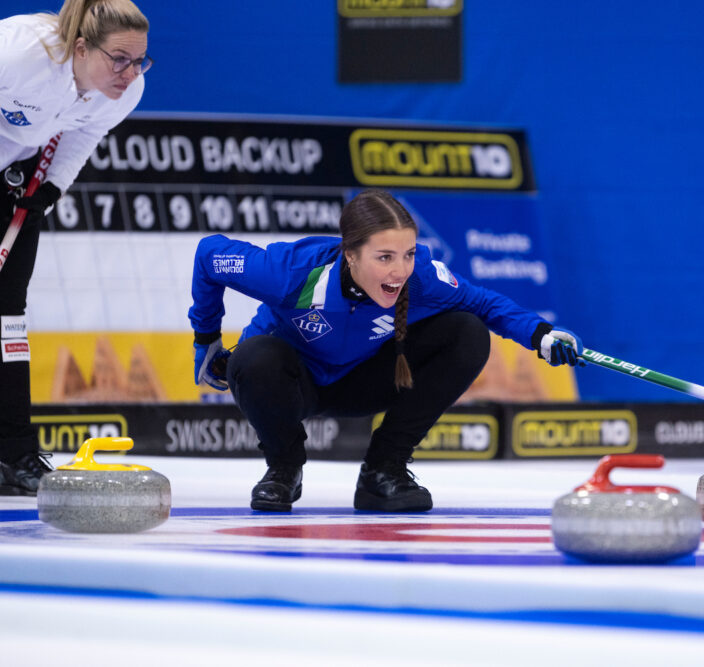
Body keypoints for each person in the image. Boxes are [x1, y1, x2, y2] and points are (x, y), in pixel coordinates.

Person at [189, 189, 584, 512]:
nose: (400, 271)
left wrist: (541, 335)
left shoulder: (423, 278)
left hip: (367, 381)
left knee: (467, 331)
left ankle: (383, 472)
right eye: (385, 257)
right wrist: (206, 339)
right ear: (350, 254)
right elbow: (210, 254)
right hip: (291, 385)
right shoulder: (290, 272)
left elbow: (483, 303)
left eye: (408, 254)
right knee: (253, 357)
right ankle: (283, 471)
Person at [0, 0, 151, 496]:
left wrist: (48, 192)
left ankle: (16, 453)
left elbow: (84, 134)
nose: (130, 74)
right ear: (81, 48)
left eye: (140, 61)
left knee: (7, 319)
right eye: (120, 59)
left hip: (14, 180)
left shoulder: (121, 93)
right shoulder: (20, 52)